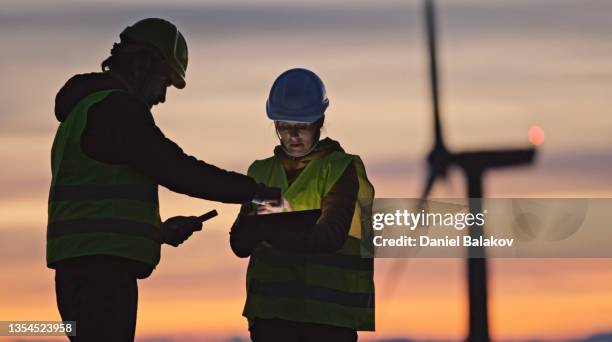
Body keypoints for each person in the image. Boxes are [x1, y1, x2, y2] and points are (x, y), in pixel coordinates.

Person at [48, 18, 280, 342]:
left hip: (83, 271)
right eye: (165, 82)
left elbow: (92, 212)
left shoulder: (83, 112)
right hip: (101, 276)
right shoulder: (116, 109)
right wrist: (253, 192)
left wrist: (154, 234)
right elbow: (178, 170)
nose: (162, 97)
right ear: (144, 64)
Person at [230, 68, 375, 342]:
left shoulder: (338, 168)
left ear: (320, 121)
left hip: (326, 322)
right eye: (284, 126)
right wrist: (258, 228)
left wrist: (266, 230)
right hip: (272, 320)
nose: (293, 135)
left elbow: (330, 235)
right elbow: (241, 243)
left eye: (303, 126)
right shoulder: (262, 173)